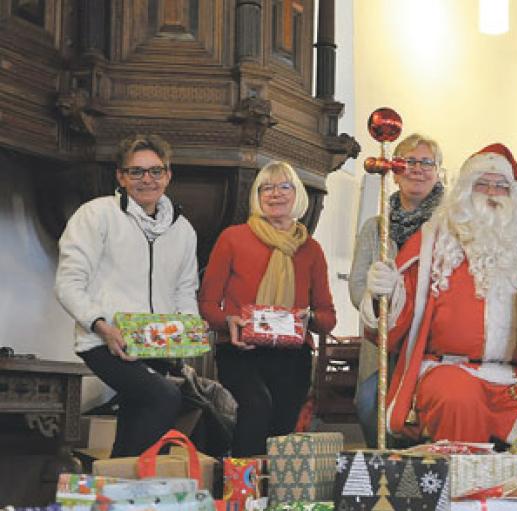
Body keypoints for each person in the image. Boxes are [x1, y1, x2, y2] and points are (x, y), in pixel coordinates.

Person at [362, 143, 517, 443]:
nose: (492, 193)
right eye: (482, 184)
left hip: (515, 380)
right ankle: (468, 485)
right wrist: (384, 294)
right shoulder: (433, 243)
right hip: (449, 370)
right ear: (464, 192)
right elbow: (392, 325)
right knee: (457, 396)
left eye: (501, 186)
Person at [55, 133, 198, 457]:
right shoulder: (96, 215)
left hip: (157, 344)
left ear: (168, 174)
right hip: (103, 339)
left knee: (137, 423)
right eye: (136, 171)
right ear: (120, 176)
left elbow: (184, 290)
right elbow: (68, 282)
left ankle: (120, 495)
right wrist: (103, 327)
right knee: (163, 397)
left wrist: (188, 334)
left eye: (155, 171)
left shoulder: (183, 229)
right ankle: (131, 491)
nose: (147, 179)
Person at [199, 161, 337, 456]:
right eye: (267, 187)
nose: (275, 194)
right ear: (257, 196)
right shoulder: (232, 238)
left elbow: (327, 319)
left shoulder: (311, 249)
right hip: (240, 350)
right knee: (255, 408)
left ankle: (272, 497)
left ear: (296, 194)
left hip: (292, 355)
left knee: (281, 431)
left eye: (284, 186)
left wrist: (307, 317)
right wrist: (230, 321)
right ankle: (242, 492)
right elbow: (207, 304)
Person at [348, 133, 445, 447]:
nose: (417, 169)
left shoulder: (451, 227)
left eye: (426, 162)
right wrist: (379, 295)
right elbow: (357, 286)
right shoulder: (375, 228)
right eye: (409, 162)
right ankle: (385, 477)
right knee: (368, 402)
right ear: (394, 170)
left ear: (438, 171)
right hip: (383, 348)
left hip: (433, 344)